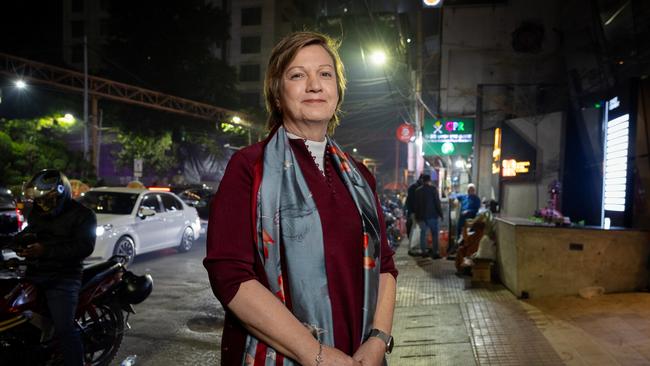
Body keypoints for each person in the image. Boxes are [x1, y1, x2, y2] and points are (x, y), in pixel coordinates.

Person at [203, 31, 398, 366]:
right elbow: (229, 276)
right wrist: (316, 355)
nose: (314, 85)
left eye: (325, 74)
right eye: (297, 75)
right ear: (277, 94)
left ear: (337, 90)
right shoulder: (250, 167)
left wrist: (378, 340)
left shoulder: (359, 176)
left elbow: (385, 266)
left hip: (360, 356)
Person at [16, 169, 96, 366]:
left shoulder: (83, 215)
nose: (41, 205)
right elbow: (31, 230)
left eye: (46, 200)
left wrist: (44, 250)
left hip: (63, 278)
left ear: (61, 193)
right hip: (35, 272)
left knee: (64, 329)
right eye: (38, 200)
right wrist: (16, 243)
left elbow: (83, 247)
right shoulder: (37, 211)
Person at [413, 174, 444, 259]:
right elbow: (437, 203)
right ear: (429, 180)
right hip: (432, 215)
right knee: (434, 234)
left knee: (423, 234)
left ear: (422, 181)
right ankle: (435, 252)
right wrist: (441, 214)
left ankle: (424, 252)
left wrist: (416, 216)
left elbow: (416, 205)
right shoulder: (433, 189)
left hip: (422, 217)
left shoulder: (418, 191)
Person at [450, 183, 481, 253]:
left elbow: (477, 210)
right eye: (469, 190)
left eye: (472, 190)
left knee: (469, 233)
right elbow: (453, 195)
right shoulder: (464, 196)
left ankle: (467, 249)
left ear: (474, 190)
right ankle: (458, 247)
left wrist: (468, 211)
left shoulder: (476, 199)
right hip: (462, 217)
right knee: (459, 230)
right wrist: (455, 199)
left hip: (471, 218)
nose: (470, 191)